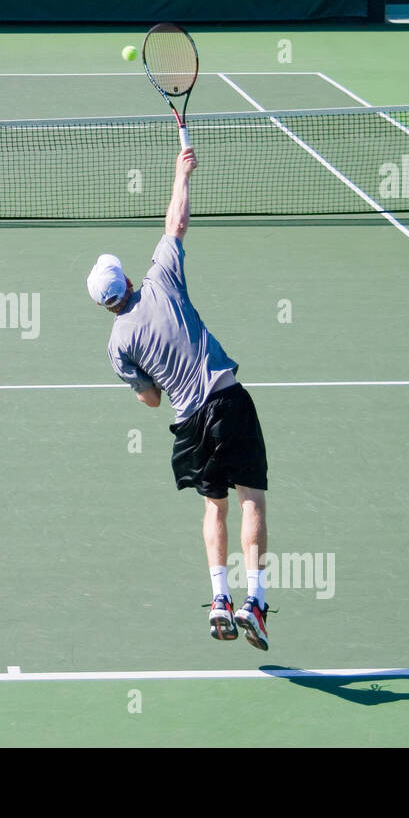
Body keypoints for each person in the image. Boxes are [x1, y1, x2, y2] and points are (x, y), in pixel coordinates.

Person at [87, 146, 274, 650]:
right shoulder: (161, 279)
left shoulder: (117, 345)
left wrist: (154, 378)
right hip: (227, 401)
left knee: (215, 508)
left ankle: (218, 599)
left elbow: (149, 399)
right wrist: (181, 170)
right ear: (126, 280)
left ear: (106, 306)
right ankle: (254, 603)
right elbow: (177, 222)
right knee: (251, 499)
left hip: (189, 424)